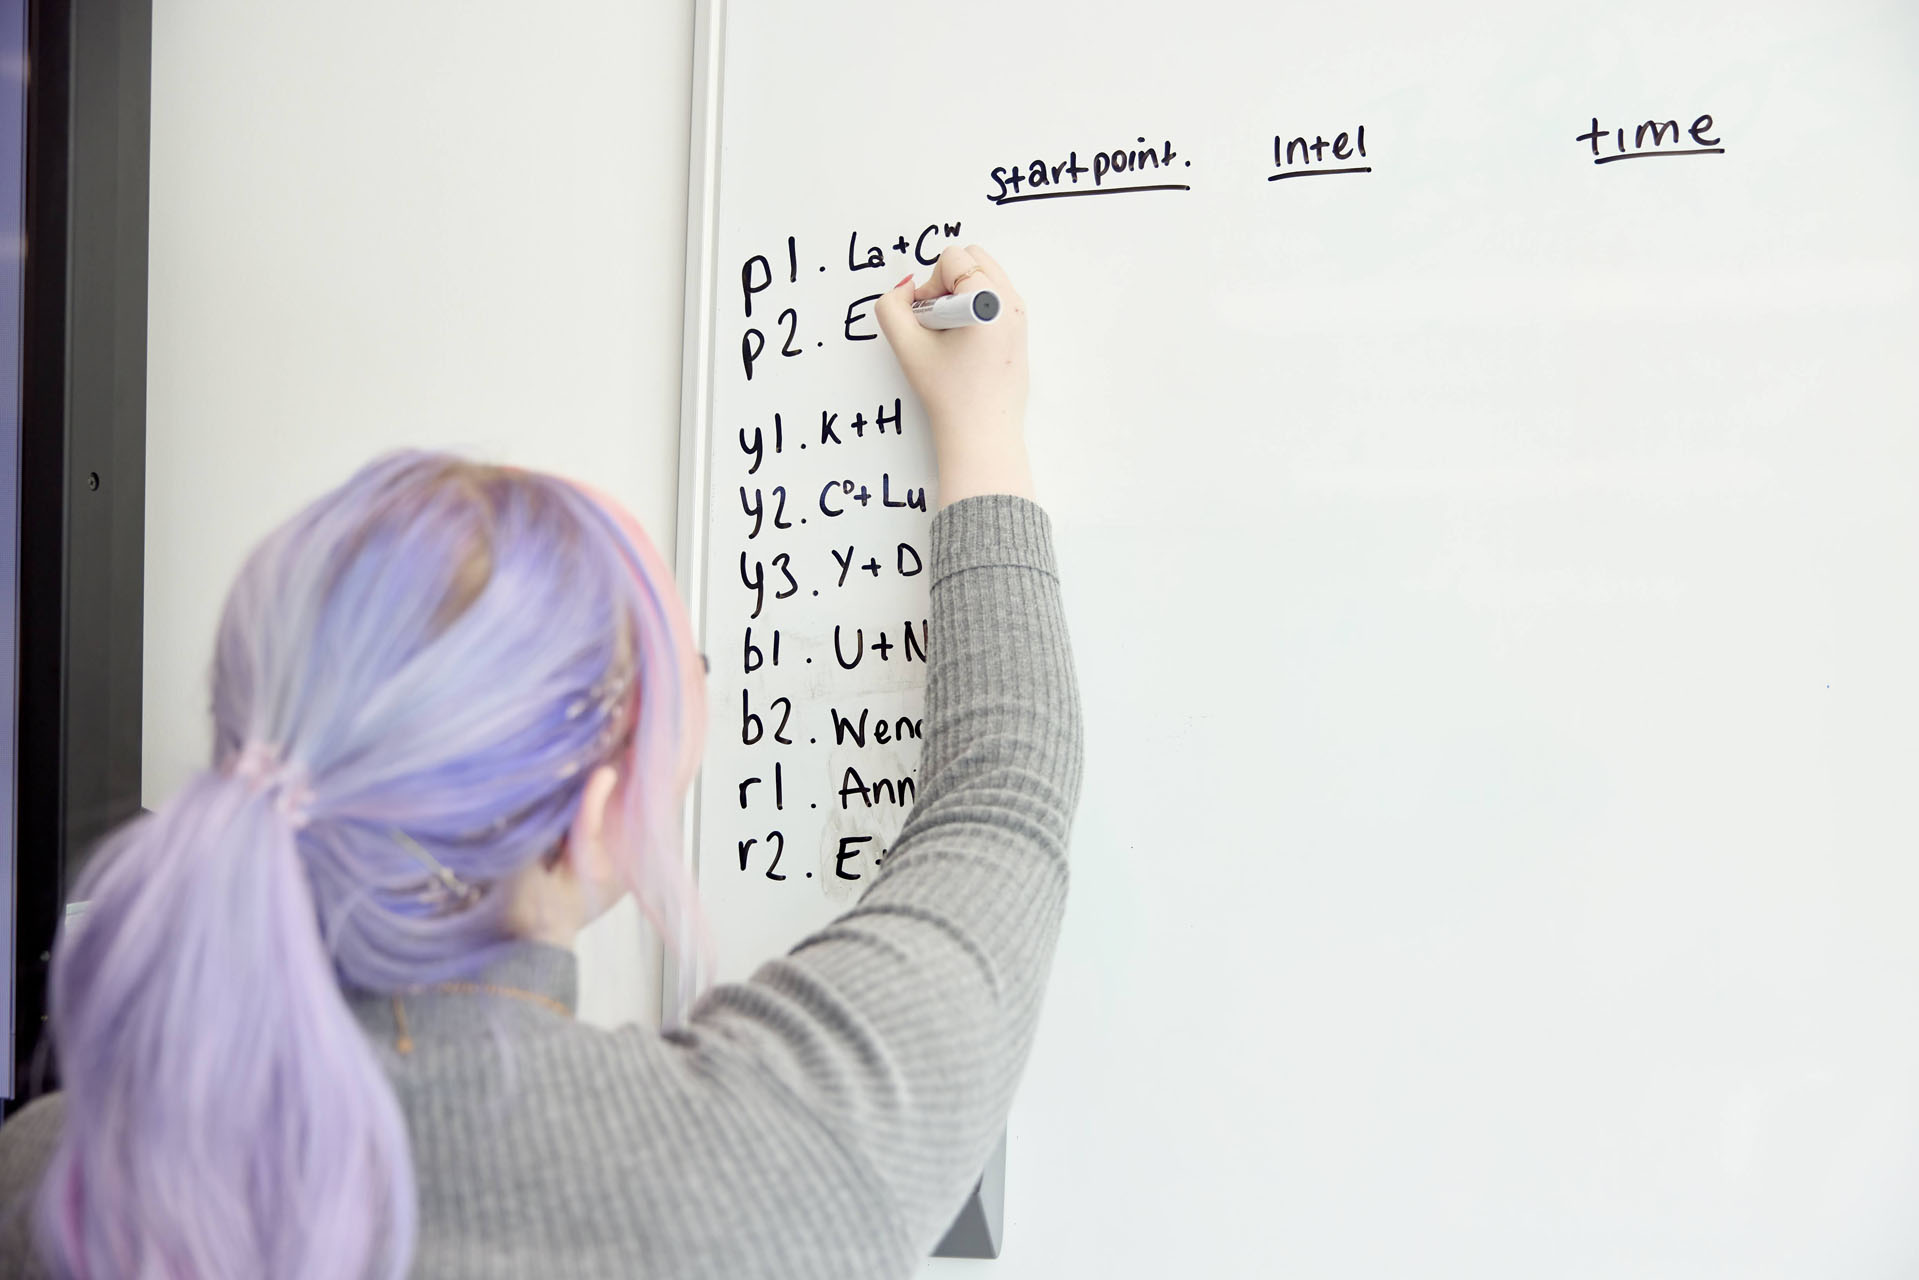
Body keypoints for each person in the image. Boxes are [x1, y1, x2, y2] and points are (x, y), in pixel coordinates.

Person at [0, 244, 1080, 1279]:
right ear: (598, 811)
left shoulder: (55, 1176)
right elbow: (1001, 797)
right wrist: (980, 425)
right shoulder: (769, 1151)